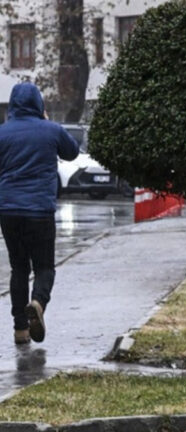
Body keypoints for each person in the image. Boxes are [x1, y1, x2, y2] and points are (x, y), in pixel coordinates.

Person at [0, 82, 79, 344]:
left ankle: (20, 330)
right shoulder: (51, 130)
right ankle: (38, 303)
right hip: (40, 211)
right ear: (39, 104)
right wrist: (46, 121)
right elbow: (72, 152)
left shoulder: (3, 133)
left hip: (9, 211)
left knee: (18, 268)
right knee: (44, 267)